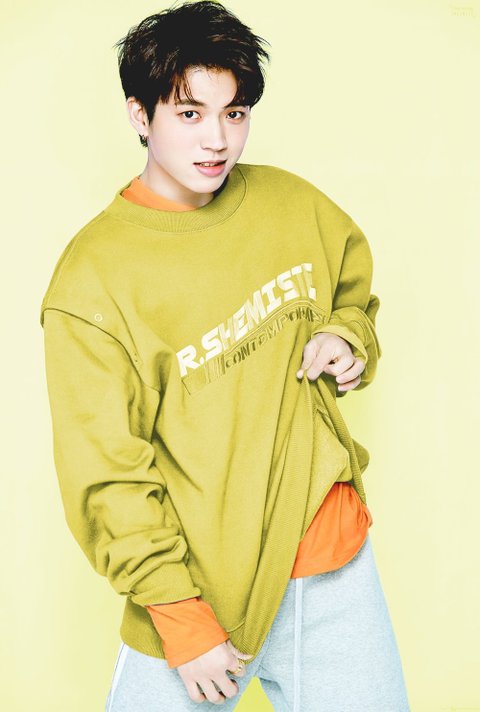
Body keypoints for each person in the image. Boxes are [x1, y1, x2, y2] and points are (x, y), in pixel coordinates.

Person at [40, 1, 411, 710]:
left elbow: (351, 292)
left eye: (234, 113)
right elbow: (105, 473)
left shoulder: (290, 203)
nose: (217, 140)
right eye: (189, 114)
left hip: (334, 567)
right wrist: (180, 618)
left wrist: (346, 338)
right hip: (198, 592)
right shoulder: (92, 282)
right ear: (139, 114)